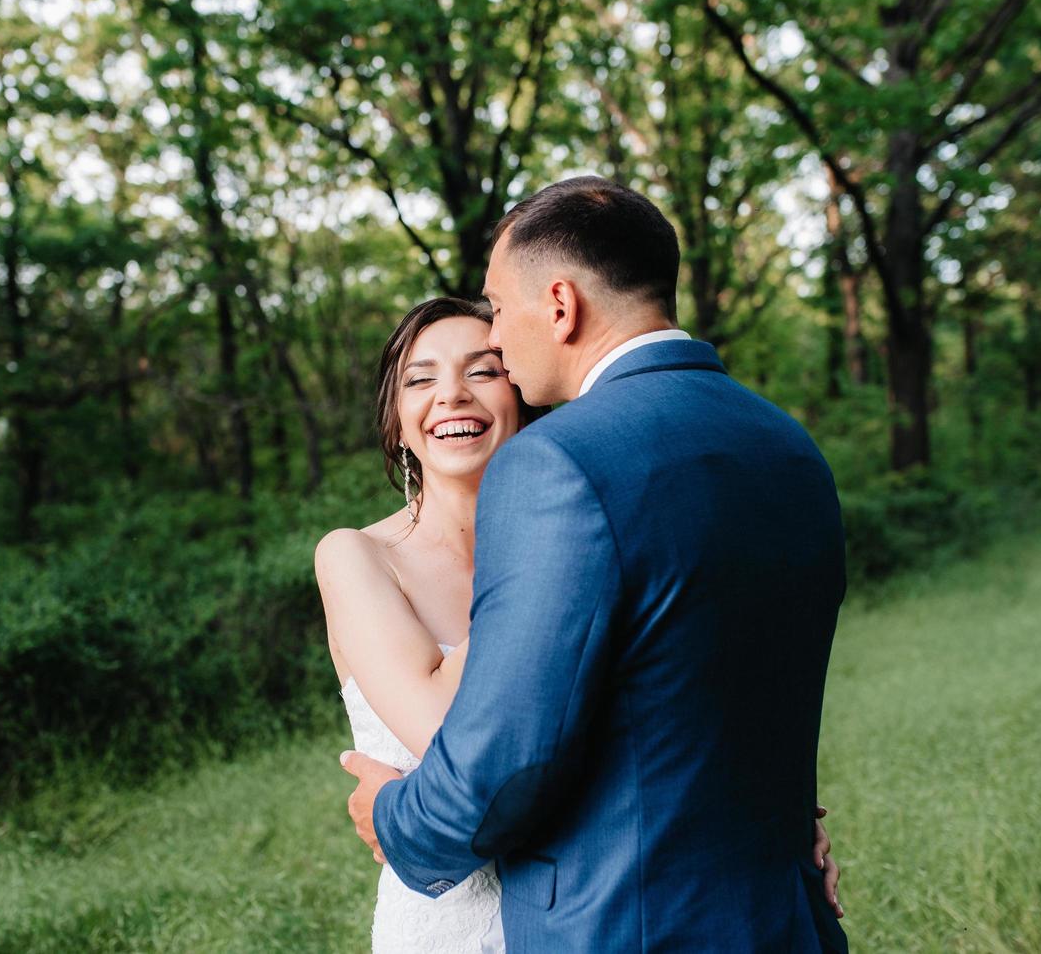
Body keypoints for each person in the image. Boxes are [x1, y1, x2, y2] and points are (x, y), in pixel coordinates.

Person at [335, 177, 850, 952]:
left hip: (627, 923)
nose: (500, 342)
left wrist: (393, 818)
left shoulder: (560, 467)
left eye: (499, 313)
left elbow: (499, 766)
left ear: (562, 305)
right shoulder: (786, 445)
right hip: (782, 917)